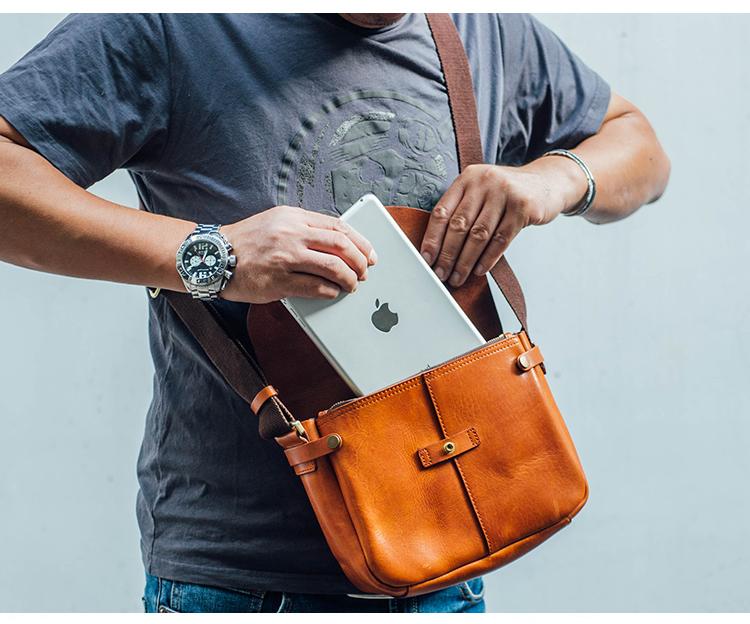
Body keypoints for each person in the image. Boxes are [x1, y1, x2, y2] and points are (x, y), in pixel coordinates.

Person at [0, 13, 669, 613]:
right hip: (241, 581)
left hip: (448, 561)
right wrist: (214, 253)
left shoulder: (487, 32)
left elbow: (639, 148)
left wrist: (554, 179)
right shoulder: (167, 25)